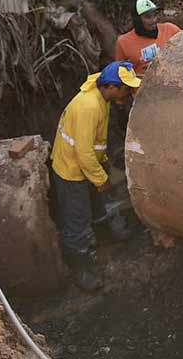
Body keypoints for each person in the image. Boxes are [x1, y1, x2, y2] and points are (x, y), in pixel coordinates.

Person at [50, 61, 141, 290]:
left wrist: (104, 165)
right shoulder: (88, 106)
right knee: (77, 221)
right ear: (111, 87)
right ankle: (81, 269)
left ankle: (105, 234)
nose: (128, 92)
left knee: (98, 204)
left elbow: (94, 141)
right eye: (125, 88)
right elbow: (83, 152)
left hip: (88, 165)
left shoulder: (101, 94)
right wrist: (101, 180)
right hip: (72, 172)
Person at [114, 0, 182, 76]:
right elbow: (121, 73)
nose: (154, 20)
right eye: (148, 17)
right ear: (138, 20)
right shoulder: (123, 42)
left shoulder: (170, 29)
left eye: (155, 15)